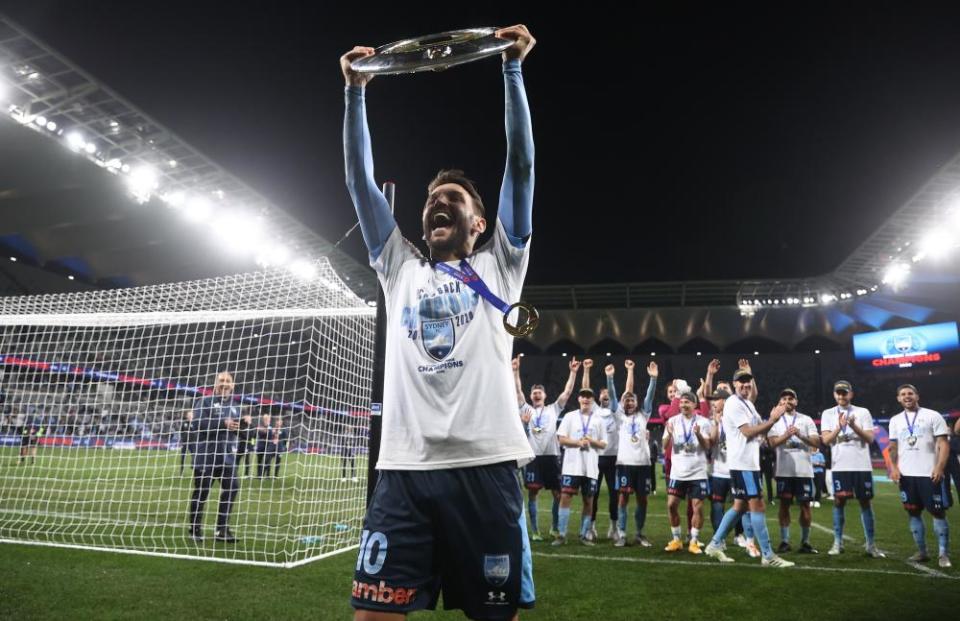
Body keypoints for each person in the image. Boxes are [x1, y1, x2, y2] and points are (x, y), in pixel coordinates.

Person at [342, 25, 537, 620]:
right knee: (372, 615)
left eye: (452, 197)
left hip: (485, 467)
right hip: (403, 470)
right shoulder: (398, 268)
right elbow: (358, 181)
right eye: (431, 198)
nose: (437, 201)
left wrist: (511, 69)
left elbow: (521, 167)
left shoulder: (500, 266)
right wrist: (355, 93)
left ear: (480, 223)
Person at [704, 368, 794, 568]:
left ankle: (715, 544)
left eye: (748, 381)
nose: (745, 385)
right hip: (743, 464)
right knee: (757, 505)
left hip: (747, 463)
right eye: (741, 382)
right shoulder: (734, 404)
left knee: (740, 506)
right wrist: (772, 420)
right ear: (734, 385)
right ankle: (768, 555)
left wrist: (770, 421)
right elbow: (746, 432)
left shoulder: (747, 405)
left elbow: (758, 432)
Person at [515, 355, 580, 541]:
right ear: (530, 396)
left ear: (545, 396)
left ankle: (553, 527)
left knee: (558, 493)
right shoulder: (525, 409)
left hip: (552, 456)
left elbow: (567, 392)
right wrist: (515, 370)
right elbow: (517, 390)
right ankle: (535, 531)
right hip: (533, 457)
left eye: (539, 392)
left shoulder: (553, 409)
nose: (536, 394)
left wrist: (573, 372)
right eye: (534, 392)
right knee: (533, 493)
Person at [888, 384, 952, 568]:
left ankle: (943, 554)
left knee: (938, 512)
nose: (907, 396)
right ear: (898, 398)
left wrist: (939, 467)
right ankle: (922, 552)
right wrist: (894, 467)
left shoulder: (933, 415)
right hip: (907, 476)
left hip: (929, 474)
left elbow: (943, 444)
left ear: (917, 396)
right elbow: (893, 447)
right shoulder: (895, 420)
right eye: (903, 394)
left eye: (910, 393)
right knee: (913, 512)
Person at [820, 380, 884, 557]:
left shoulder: (862, 412)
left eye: (844, 392)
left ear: (851, 394)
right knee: (839, 502)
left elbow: (870, 439)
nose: (841, 395)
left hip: (862, 466)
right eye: (838, 392)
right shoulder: (828, 413)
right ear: (834, 394)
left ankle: (871, 545)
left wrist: (854, 425)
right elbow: (825, 440)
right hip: (840, 466)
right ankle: (837, 542)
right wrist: (839, 427)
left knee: (865, 503)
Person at [187, 371, 249, 543]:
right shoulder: (204, 401)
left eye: (228, 381)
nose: (224, 383)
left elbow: (239, 433)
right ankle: (195, 529)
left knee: (232, 489)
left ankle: (221, 530)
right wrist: (223, 423)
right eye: (221, 380)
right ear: (215, 383)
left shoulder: (235, 406)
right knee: (201, 492)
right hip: (206, 456)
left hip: (227, 458)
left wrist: (243, 427)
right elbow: (197, 424)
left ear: (233, 385)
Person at [609, 360, 658, 547]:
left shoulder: (643, 414)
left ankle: (639, 533)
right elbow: (613, 396)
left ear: (636, 403)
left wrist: (653, 379)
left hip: (643, 464)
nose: (629, 402)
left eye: (632, 400)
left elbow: (650, 396)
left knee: (642, 499)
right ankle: (621, 533)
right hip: (624, 464)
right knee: (623, 498)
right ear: (622, 404)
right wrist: (610, 377)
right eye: (626, 400)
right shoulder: (619, 416)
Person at [766, 388, 820, 554]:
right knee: (784, 506)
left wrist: (801, 435)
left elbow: (816, 442)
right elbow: (771, 443)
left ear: (796, 401)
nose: (787, 401)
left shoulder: (806, 419)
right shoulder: (774, 419)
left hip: (804, 472)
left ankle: (805, 542)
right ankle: (784, 541)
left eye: (791, 398)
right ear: (780, 402)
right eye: (784, 399)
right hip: (784, 471)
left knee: (805, 506)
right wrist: (787, 435)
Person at [554, 388, 608, 546]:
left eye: (589, 397)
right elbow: (561, 439)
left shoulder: (599, 420)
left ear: (593, 401)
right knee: (565, 498)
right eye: (583, 397)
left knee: (588, 501)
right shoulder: (570, 417)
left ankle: (584, 535)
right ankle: (562, 535)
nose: (586, 399)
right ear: (579, 399)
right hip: (572, 466)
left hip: (591, 468)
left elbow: (604, 444)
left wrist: (591, 441)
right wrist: (578, 442)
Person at [663, 392, 712, 554]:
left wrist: (698, 434)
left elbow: (707, 446)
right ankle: (676, 539)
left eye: (687, 402)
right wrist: (669, 434)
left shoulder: (704, 422)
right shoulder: (672, 421)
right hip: (678, 472)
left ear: (694, 404)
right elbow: (664, 445)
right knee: (671, 505)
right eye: (682, 402)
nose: (683, 405)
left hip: (698, 472)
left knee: (697, 507)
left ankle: (694, 541)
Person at [255, 414, 272, 479]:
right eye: (265, 419)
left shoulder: (270, 427)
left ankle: (267, 475)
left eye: (267, 419)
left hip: (268, 446)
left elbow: (269, 435)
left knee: (268, 461)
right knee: (259, 461)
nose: (266, 420)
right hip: (261, 445)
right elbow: (260, 433)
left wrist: (265, 430)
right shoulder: (260, 426)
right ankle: (259, 475)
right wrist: (264, 430)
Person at [179, 410, 195, 475]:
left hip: (193, 443)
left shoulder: (195, 423)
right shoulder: (184, 423)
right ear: (186, 416)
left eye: (191, 415)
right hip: (185, 443)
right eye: (188, 415)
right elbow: (181, 431)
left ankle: (195, 470)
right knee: (183, 457)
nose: (189, 416)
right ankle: (181, 471)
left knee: (194, 457)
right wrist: (183, 439)